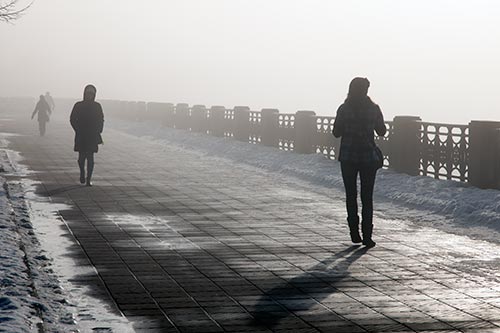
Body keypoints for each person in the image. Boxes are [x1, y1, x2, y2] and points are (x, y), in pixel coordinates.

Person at [333, 77, 386, 247]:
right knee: (367, 197)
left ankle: (354, 231)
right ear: (366, 90)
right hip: (368, 158)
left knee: (351, 195)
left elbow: (336, 133)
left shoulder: (344, 109)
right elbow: (382, 131)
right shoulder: (374, 109)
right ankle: (368, 236)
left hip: (348, 157)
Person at [70, 85, 104, 186]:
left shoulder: (97, 106)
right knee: (81, 158)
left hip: (92, 135)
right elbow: (72, 119)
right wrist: (77, 129)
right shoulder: (78, 105)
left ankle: (88, 180)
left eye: (91, 94)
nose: (89, 96)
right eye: (88, 94)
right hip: (81, 134)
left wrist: (99, 130)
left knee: (90, 158)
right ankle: (82, 172)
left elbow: (101, 119)